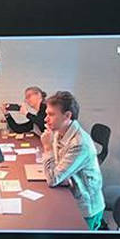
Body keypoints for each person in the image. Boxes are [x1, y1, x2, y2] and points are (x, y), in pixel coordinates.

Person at [44, 90, 105, 228]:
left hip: (86, 210)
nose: (46, 119)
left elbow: (53, 179)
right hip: (70, 197)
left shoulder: (79, 143)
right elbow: (58, 170)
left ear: (67, 116)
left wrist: (47, 148)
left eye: (51, 114)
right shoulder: (58, 132)